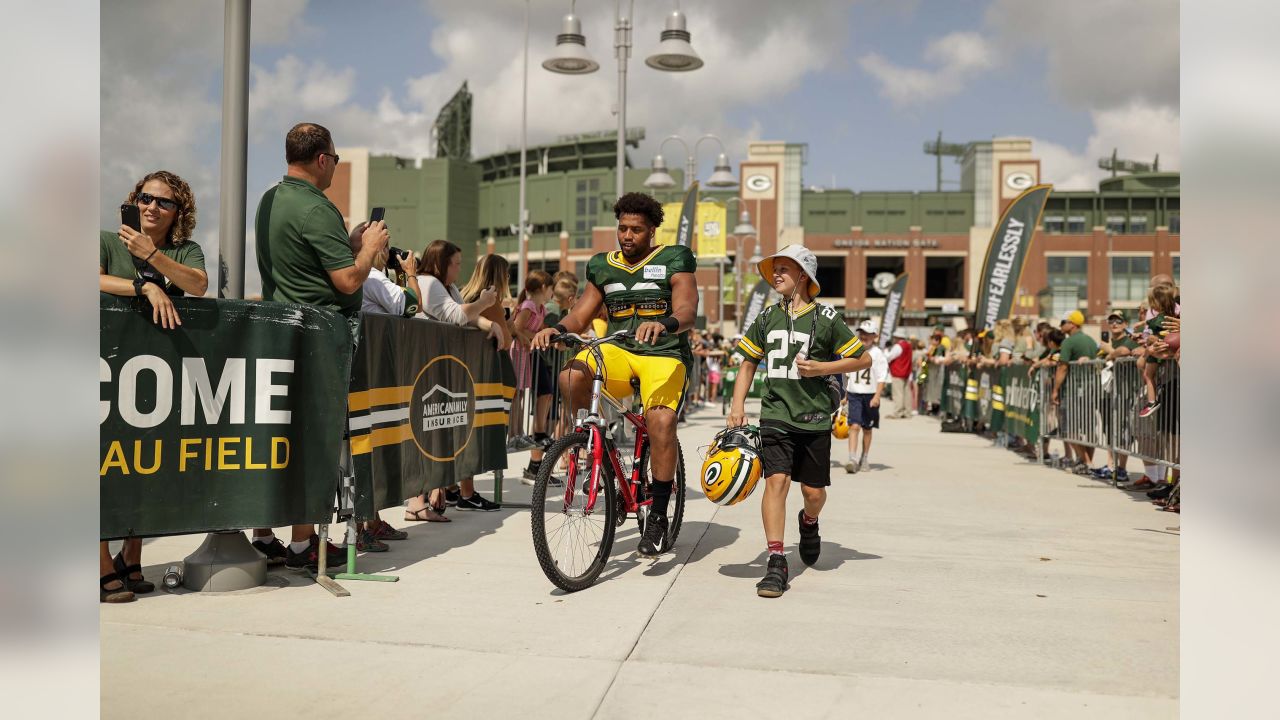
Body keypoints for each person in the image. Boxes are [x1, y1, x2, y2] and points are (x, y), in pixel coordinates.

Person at [531, 192, 697, 558]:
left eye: (636, 230)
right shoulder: (601, 265)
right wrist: (557, 329)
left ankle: (656, 514)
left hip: (664, 353)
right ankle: (597, 445)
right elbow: (581, 314)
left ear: (652, 230)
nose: (627, 235)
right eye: (622, 228)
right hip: (619, 348)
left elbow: (687, 309)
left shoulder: (674, 258)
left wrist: (666, 323)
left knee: (661, 422)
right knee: (571, 375)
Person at [253, 122, 388, 571]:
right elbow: (349, 280)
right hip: (318, 339)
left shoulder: (271, 199)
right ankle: (302, 542)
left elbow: (310, 263)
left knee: (286, 440)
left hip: (285, 332)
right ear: (323, 159)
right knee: (314, 446)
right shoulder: (316, 207)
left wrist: (347, 245)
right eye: (336, 160)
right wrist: (367, 248)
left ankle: (279, 535)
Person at [728, 245, 870, 598]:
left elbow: (862, 358)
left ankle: (809, 523)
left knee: (813, 493)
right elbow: (747, 362)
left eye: (783, 269)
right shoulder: (765, 318)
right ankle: (776, 560)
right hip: (775, 414)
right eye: (774, 269)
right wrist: (737, 404)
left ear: (803, 275)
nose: (775, 275)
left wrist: (824, 368)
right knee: (776, 482)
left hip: (815, 417)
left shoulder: (827, 318)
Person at [99, 170, 208, 601]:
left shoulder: (185, 250)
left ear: (178, 212)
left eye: (163, 202)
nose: (151, 207)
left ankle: (132, 555)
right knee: (102, 465)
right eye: (145, 198)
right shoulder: (109, 240)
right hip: (107, 373)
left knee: (147, 463)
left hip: (162, 374)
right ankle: (101, 566)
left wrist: (153, 258)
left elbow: (198, 285)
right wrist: (144, 287)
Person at [408, 239, 504, 516]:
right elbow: (455, 316)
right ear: (441, 263)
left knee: (438, 429)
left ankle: (432, 492)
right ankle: (418, 501)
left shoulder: (447, 286)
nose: (459, 270)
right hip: (424, 364)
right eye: (456, 264)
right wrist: (484, 303)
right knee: (425, 430)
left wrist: (489, 323)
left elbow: (467, 316)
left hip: (439, 365)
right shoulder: (428, 282)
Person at [351, 222, 421, 550]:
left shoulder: (369, 274)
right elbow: (410, 306)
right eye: (385, 245)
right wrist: (410, 273)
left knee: (373, 449)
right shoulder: (371, 275)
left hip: (372, 372)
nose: (389, 252)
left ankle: (372, 521)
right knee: (366, 451)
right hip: (369, 373)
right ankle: (363, 527)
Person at [511, 271, 557, 484]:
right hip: (518, 352)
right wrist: (535, 338)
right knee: (516, 393)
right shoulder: (529, 306)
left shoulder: (541, 309)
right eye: (550, 288)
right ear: (543, 288)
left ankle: (530, 432)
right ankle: (516, 432)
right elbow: (517, 328)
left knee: (523, 391)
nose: (552, 293)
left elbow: (536, 330)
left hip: (527, 354)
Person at [1052, 310, 1100, 475]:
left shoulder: (1068, 342)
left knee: (1069, 428)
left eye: (1063, 322)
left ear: (1072, 323)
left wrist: (1055, 390)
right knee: (1088, 427)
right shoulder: (1091, 341)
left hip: (1073, 390)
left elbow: (1063, 367)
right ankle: (1087, 461)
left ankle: (1085, 462)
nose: (1061, 326)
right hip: (1091, 388)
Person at [842, 321, 888, 473]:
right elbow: (847, 374)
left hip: (870, 395)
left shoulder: (878, 354)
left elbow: (882, 377)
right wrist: (845, 395)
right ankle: (852, 458)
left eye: (868, 334)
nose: (864, 336)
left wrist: (877, 396)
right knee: (854, 426)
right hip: (855, 393)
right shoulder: (853, 350)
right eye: (861, 333)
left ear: (875, 336)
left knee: (867, 428)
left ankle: (865, 457)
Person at [1139, 284, 1179, 418]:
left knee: (1148, 375)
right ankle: (1152, 402)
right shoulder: (1177, 315)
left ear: (1157, 302)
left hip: (1158, 351)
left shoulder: (1155, 321)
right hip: (1168, 350)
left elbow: (1147, 335)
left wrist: (1149, 339)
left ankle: (1152, 401)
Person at [884, 329, 913, 419]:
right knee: (907, 393)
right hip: (907, 371)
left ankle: (898, 412)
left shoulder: (898, 346)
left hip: (898, 371)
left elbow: (889, 357)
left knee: (898, 393)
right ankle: (907, 412)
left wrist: (886, 351)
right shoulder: (908, 345)